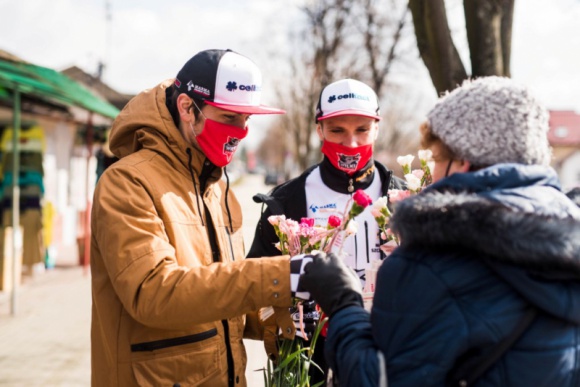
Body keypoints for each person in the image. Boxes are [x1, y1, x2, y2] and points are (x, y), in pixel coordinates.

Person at [300, 76, 580, 386]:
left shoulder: (434, 261)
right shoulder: (569, 234)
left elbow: (377, 379)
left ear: (463, 160)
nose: (431, 174)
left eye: (435, 159)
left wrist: (343, 304)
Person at [90, 49, 311, 387]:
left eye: (247, 120)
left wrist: (281, 318)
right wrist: (283, 274)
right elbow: (153, 294)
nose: (241, 131)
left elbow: (222, 300)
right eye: (229, 117)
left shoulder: (217, 188)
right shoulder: (127, 183)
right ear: (186, 108)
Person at [247, 78, 405, 383]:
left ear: (377, 128)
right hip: (310, 365)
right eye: (337, 130)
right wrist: (284, 317)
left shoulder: (405, 198)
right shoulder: (286, 201)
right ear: (319, 129)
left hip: (390, 358)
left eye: (362, 129)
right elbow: (253, 285)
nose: (351, 143)